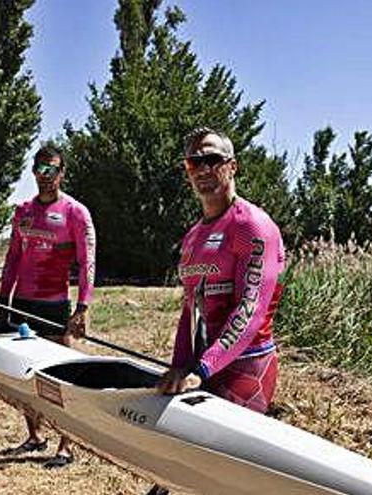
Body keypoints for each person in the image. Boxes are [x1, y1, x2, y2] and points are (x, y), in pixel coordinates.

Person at [149, 128, 286, 495]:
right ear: (187, 170)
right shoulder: (193, 238)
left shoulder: (253, 225)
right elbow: (189, 309)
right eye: (195, 161)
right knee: (175, 466)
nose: (203, 168)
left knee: (222, 477)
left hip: (246, 368)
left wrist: (202, 368)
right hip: (202, 364)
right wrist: (180, 365)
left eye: (213, 159)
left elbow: (251, 310)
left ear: (233, 167)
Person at [0, 145, 96, 469]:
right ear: (34, 171)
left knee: (60, 377)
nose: (46, 176)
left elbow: (87, 262)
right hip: (22, 304)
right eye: (40, 169)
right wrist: (2, 301)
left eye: (52, 169)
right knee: (23, 373)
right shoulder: (22, 210)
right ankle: (35, 436)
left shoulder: (75, 212)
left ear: (62, 172)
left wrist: (82, 307)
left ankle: (66, 446)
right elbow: (12, 258)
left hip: (54, 306)